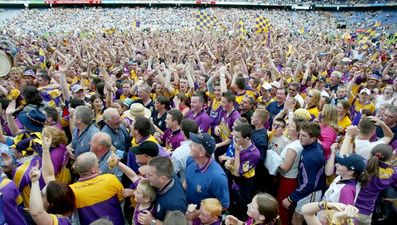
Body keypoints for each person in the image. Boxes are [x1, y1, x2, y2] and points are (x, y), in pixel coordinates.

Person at [282, 122, 326, 225]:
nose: (300, 137)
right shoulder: (315, 146)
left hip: (310, 193)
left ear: (313, 138)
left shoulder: (310, 157)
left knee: (297, 220)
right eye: (300, 134)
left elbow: (309, 184)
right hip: (311, 191)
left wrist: (290, 198)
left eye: (304, 136)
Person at [185, 132, 230, 221]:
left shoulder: (217, 177)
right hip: (187, 211)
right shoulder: (190, 160)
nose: (189, 145)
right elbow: (187, 181)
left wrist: (198, 214)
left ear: (201, 153)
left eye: (193, 144)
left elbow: (224, 205)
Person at [225, 123, 261, 220]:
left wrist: (237, 151)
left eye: (237, 137)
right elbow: (233, 159)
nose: (234, 139)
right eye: (234, 136)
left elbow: (237, 173)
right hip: (232, 179)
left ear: (247, 138)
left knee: (241, 208)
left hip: (243, 184)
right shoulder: (239, 144)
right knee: (232, 202)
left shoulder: (254, 154)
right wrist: (228, 162)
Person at [138, 157, 187, 224]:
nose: (146, 176)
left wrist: (152, 222)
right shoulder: (169, 176)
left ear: (162, 179)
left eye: (150, 175)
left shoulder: (175, 204)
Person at [171, 119, 199, 184]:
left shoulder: (178, 152)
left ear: (182, 132)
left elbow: (172, 172)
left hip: (187, 187)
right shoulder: (206, 144)